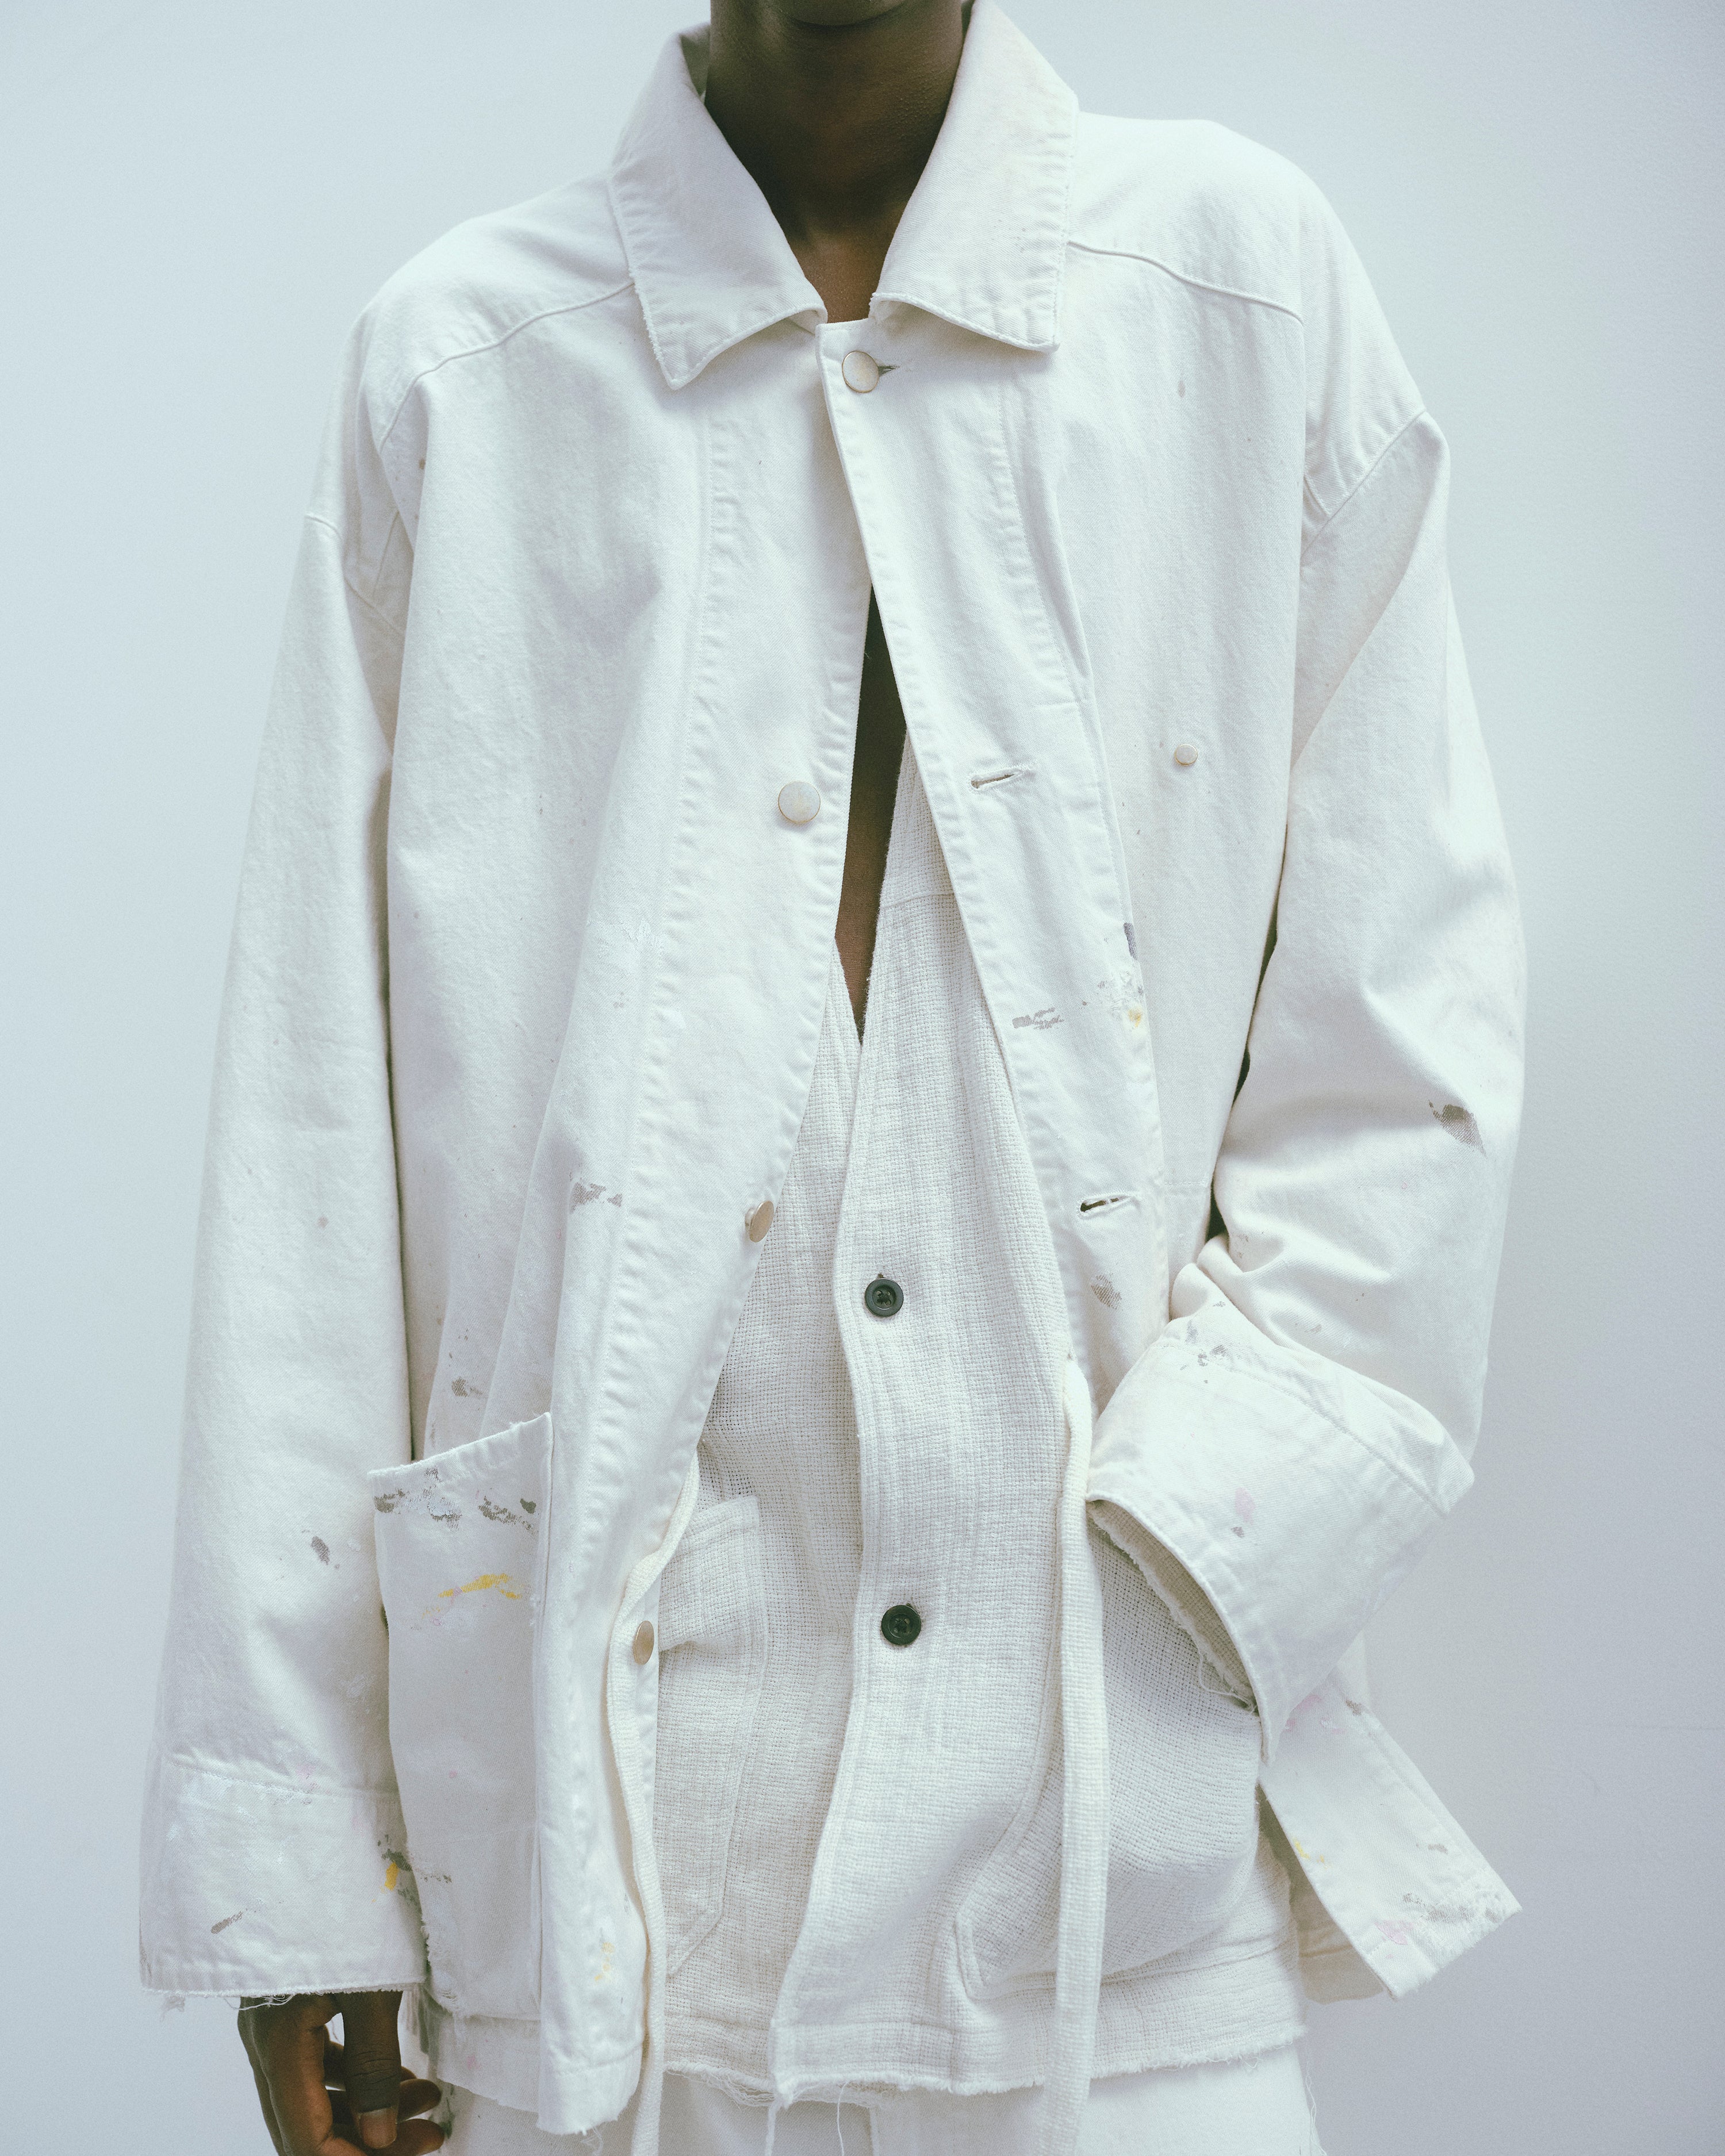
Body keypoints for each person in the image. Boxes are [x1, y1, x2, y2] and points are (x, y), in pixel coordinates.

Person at [139, 2, 1525, 2151]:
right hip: (607, 1915)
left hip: (1117, 1917)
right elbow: (317, 1125)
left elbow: (1401, 1030)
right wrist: (310, 1849)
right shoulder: (463, 370)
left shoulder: (1238, 289)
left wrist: (1192, 1554)